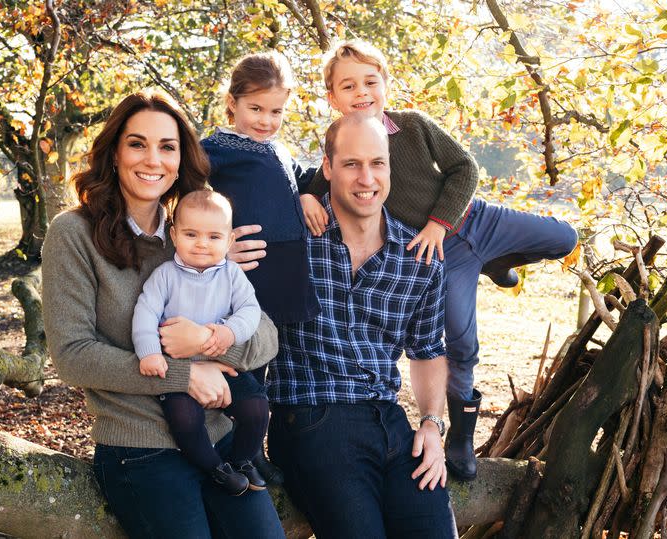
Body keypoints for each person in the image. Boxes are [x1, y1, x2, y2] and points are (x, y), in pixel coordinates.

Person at [299, 40, 578, 480]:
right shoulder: (343, 147)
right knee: (460, 342)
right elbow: (319, 181)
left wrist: (437, 222)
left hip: (475, 221)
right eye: (348, 86)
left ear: (386, 83)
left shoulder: (412, 126)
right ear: (332, 97)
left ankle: (498, 261)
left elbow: (464, 168)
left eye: (371, 81)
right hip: (442, 258)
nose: (362, 92)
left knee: (564, 237)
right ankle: (461, 439)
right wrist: (303, 197)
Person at [41, 90, 284, 538]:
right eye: (137, 143)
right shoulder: (73, 234)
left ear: (181, 159)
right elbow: (73, 356)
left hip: (220, 435)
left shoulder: (196, 234)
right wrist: (185, 375)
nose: (152, 159)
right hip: (141, 447)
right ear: (114, 153)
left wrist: (211, 342)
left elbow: (266, 334)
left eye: (167, 147)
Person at [266, 113, 458, 538]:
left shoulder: (418, 258)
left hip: (390, 422)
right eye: (351, 164)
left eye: (377, 163)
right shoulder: (292, 243)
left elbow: (427, 350)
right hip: (311, 416)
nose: (366, 177)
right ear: (328, 168)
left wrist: (431, 423)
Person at [201, 51, 320, 483]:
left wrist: (307, 193)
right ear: (232, 103)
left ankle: (254, 448)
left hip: (284, 274)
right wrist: (215, 242)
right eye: (255, 109)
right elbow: (184, 194)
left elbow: (302, 176)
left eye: (276, 111)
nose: (266, 120)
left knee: (266, 364)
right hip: (248, 274)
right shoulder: (216, 149)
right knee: (243, 363)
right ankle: (238, 449)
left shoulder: (278, 148)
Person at [132, 190, 268, 495]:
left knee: (257, 408)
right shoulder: (165, 275)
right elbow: (145, 313)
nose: (202, 244)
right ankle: (214, 468)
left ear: (229, 241)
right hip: (179, 370)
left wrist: (228, 333)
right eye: (191, 234)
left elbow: (250, 311)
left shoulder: (232, 275)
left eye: (213, 236)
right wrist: (150, 353)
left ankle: (242, 460)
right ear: (174, 234)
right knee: (184, 419)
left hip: (221, 365)